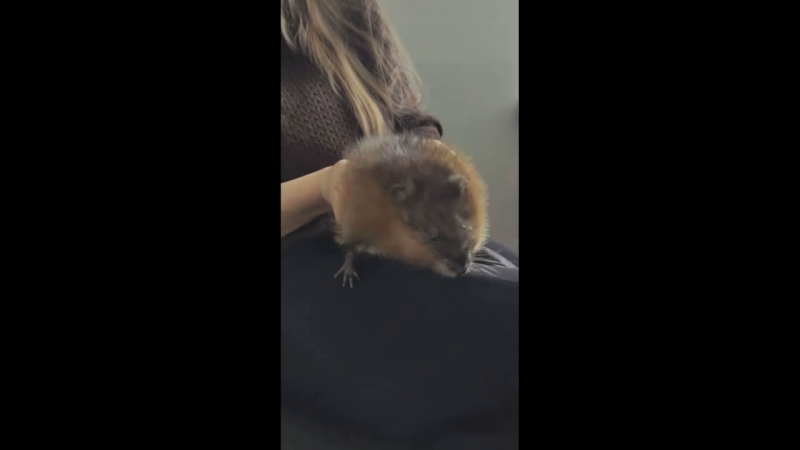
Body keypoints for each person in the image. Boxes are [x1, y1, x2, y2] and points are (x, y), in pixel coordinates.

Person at [280, 0, 519, 447]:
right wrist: (326, 187)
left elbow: (408, 123)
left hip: (396, 235)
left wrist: (430, 166)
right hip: (298, 261)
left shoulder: (345, 9)